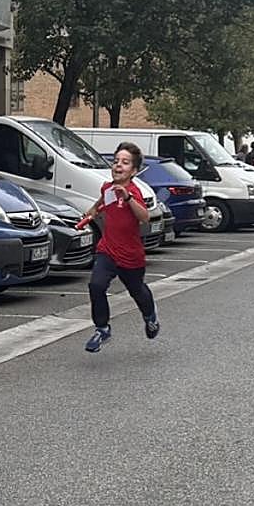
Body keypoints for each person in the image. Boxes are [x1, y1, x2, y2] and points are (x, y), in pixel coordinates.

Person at [81, 142, 160, 351]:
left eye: (125, 162)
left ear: (133, 171)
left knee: (137, 291)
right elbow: (101, 202)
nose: (118, 165)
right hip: (107, 250)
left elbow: (144, 217)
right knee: (96, 286)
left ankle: (150, 316)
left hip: (130, 255)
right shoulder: (108, 188)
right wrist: (92, 211)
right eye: (116, 161)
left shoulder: (133, 191)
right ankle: (102, 329)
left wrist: (128, 198)